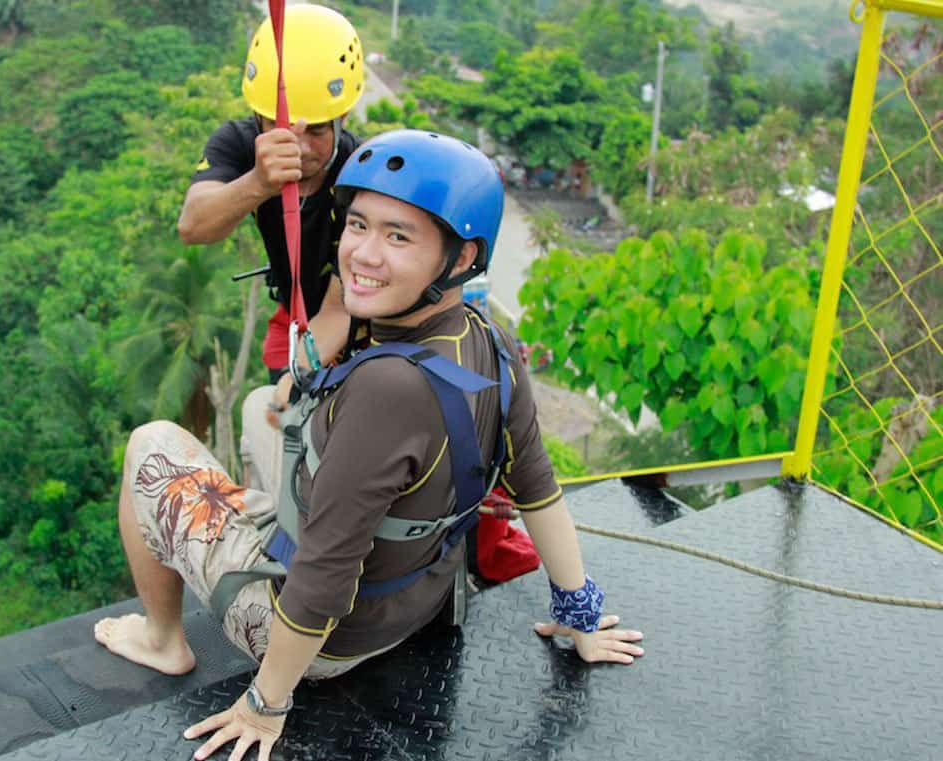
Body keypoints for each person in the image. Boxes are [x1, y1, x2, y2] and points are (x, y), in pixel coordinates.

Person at [96, 130, 644, 761]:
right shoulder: (491, 340)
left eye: (399, 236)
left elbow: (325, 578)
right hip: (414, 602)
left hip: (326, 639)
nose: (362, 253)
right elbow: (538, 489)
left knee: (152, 443)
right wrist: (577, 613)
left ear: (461, 256)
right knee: (259, 413)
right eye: (357, 225)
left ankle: (163, 639)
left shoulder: (389, 387)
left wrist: (264, 704)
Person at [177, 3, 365, 383]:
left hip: (356, 322)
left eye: (317, 130)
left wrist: (292, 382)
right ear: (259, 118)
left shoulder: (360, 173)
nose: (302, 147)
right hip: (292, 315)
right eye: (281, 128)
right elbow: (193, 227)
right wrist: (258, 183)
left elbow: (341, 309)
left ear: (342, 119)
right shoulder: (240, 144)